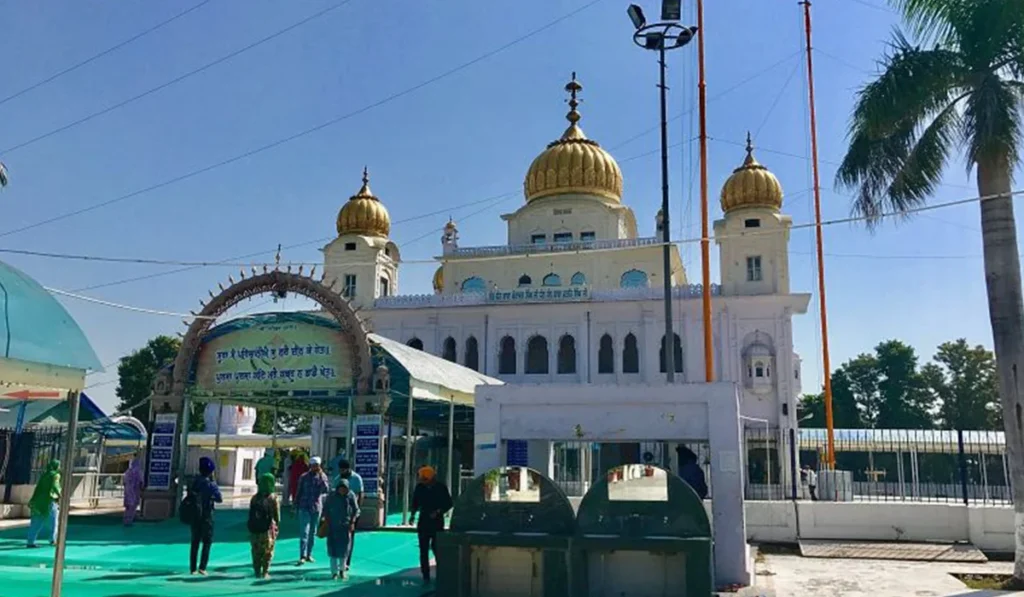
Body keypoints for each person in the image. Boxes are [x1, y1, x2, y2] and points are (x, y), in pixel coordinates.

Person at [408, 466, 452, 585]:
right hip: (423, 521)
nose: (424, 481)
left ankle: (442, 572)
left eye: (426, 479)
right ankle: (425, 575)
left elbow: (449, 503)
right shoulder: (420, 488)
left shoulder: (440, 488)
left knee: (437, 547)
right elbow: (415, 502)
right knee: (423, 549)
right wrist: (412, 515)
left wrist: (438, 511)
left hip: (437, 521)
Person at [188, 456, 223, 575]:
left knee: (195, 541)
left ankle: (192, 568)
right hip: (207, 515)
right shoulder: (211, 484)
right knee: (207, 541)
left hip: (194, 514)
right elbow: (219, 498)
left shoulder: (194, 482)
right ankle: (202, 567)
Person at [294, 455, 330, 565]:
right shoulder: (304, 477)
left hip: (316, 508)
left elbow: (326, 489)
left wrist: (322, 476)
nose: (315, 467)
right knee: (304, 532)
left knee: (312, 532)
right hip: (304, 506)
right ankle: (302, 555)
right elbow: (299, 491)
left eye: (317, 466)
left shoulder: (322, 477)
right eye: (314, 465)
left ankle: (309, 554)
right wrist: (295, 504)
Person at [323, 478, 360, 580]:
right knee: (333, 550)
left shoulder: (350, 495)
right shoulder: (332, 496)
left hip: (345, 526)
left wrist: (352, 522)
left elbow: (356, 510)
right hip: (333, 526)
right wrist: (326, 520)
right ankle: (334, 572)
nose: (342, 491)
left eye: (345, 489)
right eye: (341, 488)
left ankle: (342, 571)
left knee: (344, 551)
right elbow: (325, 509)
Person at [248, 473, 280, 579]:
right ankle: (265, 572)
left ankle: (257, 571)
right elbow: (277, 517)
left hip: (255, 529)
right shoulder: (273, 498)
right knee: (268, 551)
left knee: (256, 550)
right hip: (268, 529)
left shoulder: (254, 498)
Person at [26, 459, 61, 548]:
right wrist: (61, 495)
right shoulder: (55, 475)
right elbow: (55, 487)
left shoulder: (44, 475)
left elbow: (38, 488)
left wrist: (32, 500)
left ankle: (30, 541)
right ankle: (52, 540)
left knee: (36, 522)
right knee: (54, 522)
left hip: (38, 502)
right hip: (49, 501)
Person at [336, 459, 363, 572]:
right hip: (339, 513)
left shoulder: (356, 478)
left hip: (352, 513)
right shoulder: (337, 479)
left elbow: (361, 494)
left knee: (349, 537)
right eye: (340, 469)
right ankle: (339, 559)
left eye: (343, 469)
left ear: (348, 469)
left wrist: (357, 511)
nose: (341, 471)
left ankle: (347, 561)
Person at [122, 457, 145, 526]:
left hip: (127, 491)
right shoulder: (139, 472)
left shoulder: (127, 472)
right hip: (135, 491)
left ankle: (126, 520)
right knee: (133, 507)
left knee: (128, 507)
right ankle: (130, 521)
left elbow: (124, 482)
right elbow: (141, 482)